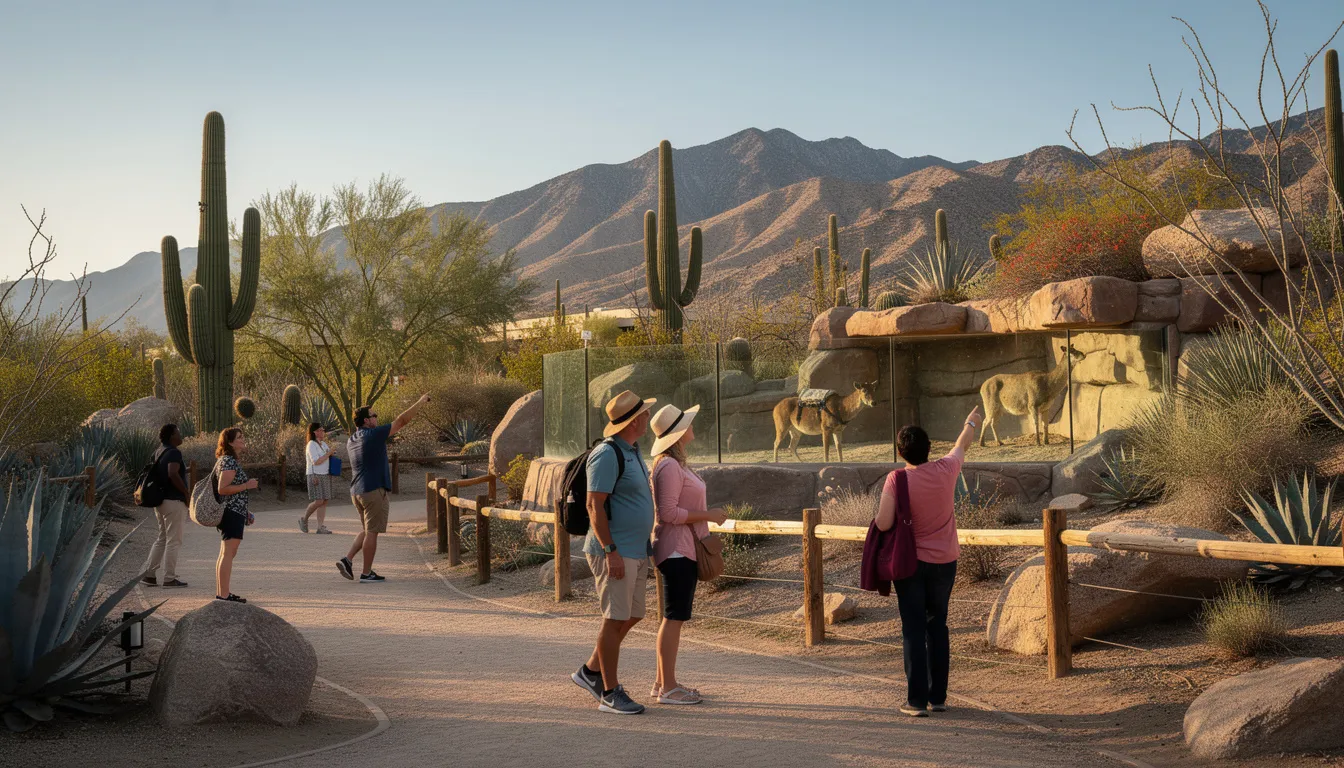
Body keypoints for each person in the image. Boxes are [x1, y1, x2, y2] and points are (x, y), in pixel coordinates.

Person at [874, 405, 982, 717]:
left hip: (910, 565)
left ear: (900, 451)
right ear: (930, 448)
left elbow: (883, 523)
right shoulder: (947, 469)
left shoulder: (896, 480)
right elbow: (963, 442)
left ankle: (916, 701)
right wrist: (972, 420)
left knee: (913, 628)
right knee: (938, 626)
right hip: (945, 562)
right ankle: (939, 698)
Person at [570, 390, 656, 715]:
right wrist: (610, 551)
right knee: (614, 617)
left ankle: (590, 671)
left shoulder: (633, 450)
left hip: (635, 549)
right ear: (635, 420)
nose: (648, 417)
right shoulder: (607, 454)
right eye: (645, 413)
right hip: (614, 550)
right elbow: (595, 504)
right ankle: (609, 691)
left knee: (633, 614)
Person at [648, 403, 727, 705]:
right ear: (679, 433)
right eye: (687, 423)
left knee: (673, 617)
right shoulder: (668, 465)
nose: (693, 426)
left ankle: (662, 683)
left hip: (682, 549)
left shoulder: (674, 464)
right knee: (673, 618)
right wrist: (707, 514)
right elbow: (667, 513)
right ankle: (669, 687)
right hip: (677, 550)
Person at [337, 394, 431, 584]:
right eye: (374, 415)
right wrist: (420, 402)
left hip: (357, 491)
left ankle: (347, 560)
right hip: (373, 490)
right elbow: (401, 421)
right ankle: (366, 573)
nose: (376, 418)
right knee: (372, 532)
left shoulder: (352, 439)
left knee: (366, 529)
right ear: (366, 420)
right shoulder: (372, 435)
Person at [141, 423, 190, 588]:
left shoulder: (159, 451)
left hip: (161, 501)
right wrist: (185, 492)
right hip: (174, 501)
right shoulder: (174, 452)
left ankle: (149, 574)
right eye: (178, 432)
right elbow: (172, 472)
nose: (180, 435)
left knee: (162, 538)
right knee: (173, 540)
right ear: (171, 436)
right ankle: (169, 578)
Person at [215, 427, 259, 604]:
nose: (243, 439)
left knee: (227, 553)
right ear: (230, 442)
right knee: (228, 553)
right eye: (239, 437)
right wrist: (247, 485)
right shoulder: (229, 462)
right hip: (231, 512)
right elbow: (222, 489)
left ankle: (222, 593)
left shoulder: (228, 460)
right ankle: (223, 595)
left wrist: (245, 511)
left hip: (235, 511)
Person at [301, 423, 336, 534]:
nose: (322, 432)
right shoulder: (311, 444)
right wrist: (329, 453)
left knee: (324, 501)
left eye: (323, 430)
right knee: (318, 500)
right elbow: (316, 461)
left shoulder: (324, 444)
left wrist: (331, 454)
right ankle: (304, 519)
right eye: (320, 430)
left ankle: (320, 527)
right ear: (314, 432)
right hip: (315, 475)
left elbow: (326, 457)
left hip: (325, 474)